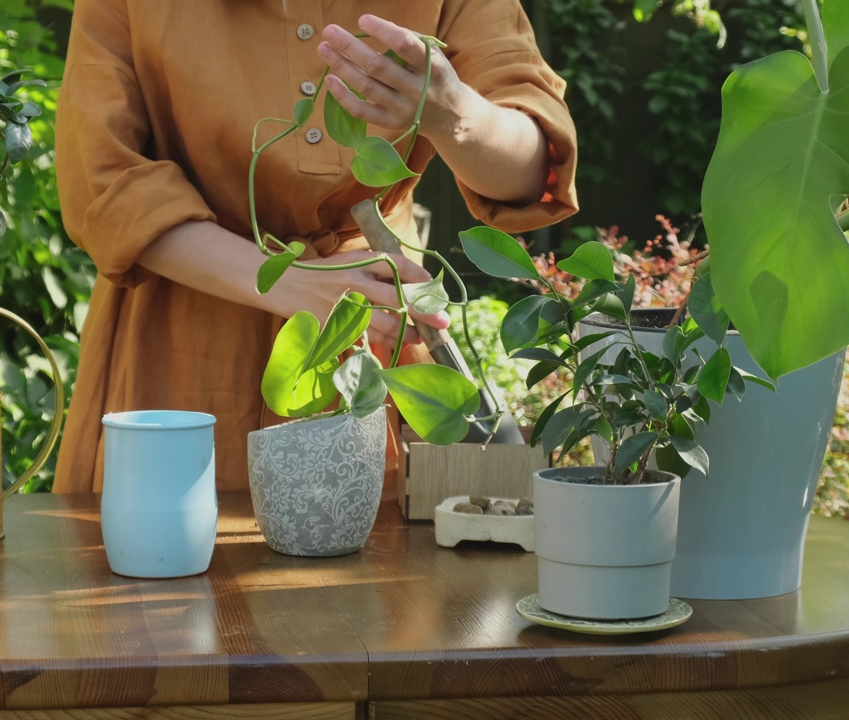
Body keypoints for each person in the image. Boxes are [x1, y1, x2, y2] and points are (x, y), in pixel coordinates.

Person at [53, 0, 578, 493]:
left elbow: (534, 169)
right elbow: (103, 176)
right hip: (181, 341)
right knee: (166, 567)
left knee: (382, 575)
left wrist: (454, 114)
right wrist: (290, 280)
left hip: (374, 332)